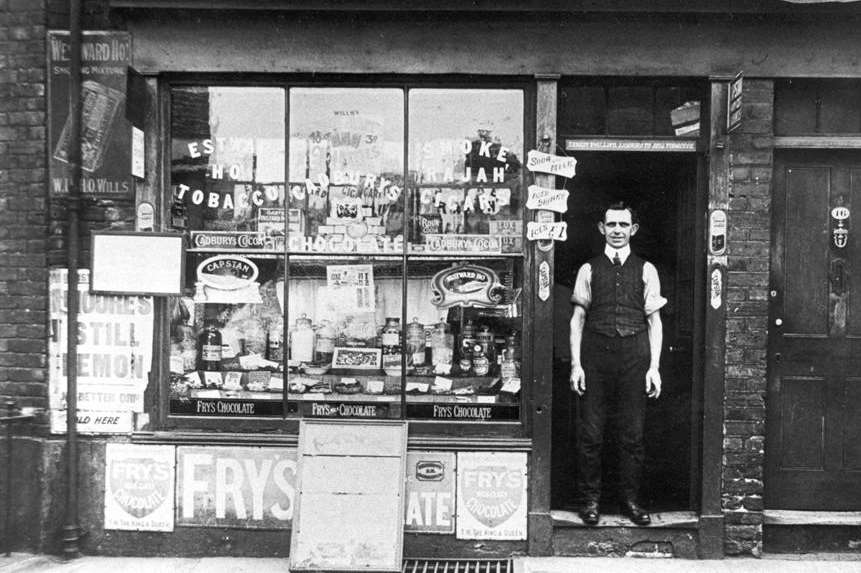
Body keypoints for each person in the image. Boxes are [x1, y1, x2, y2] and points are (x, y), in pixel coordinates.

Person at [568, 201, 666, 526]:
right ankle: (590, 502)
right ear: (601, 228)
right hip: (596, 356)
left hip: (634, 357)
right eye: (612, 225)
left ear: (633, 229)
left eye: (624, 225)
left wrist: (654, 367)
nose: (618, 231)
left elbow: (655, 321)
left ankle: (631, 502)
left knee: (632, 436)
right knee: (591, 434)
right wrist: (576, 365)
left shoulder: (646, 269)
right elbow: (577, 318)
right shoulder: (589, 269)